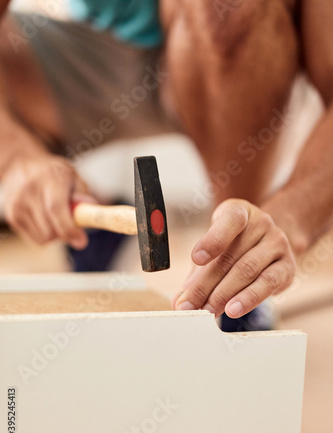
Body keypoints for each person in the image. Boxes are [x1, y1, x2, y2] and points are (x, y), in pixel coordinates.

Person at [0, 0, 332, 329]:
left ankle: (234, 255)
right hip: (93, 46)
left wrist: (288, 219)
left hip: (245, 53)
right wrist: (13, 156)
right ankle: (100, 221)